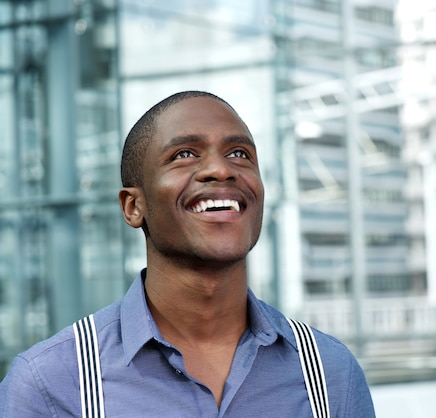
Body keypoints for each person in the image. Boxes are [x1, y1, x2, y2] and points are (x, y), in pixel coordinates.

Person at [0, 91, 376, 417]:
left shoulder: (329, 374)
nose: (220, 169)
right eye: (184, 153)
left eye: (239, 153)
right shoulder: (51, 384)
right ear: (133, 206)